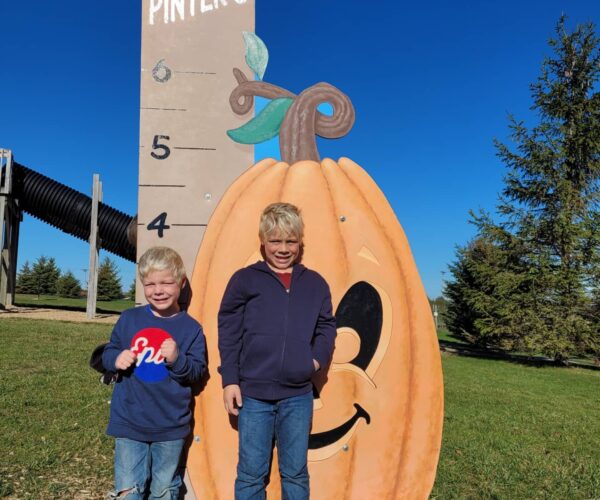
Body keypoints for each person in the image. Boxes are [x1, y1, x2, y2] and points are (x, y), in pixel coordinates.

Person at [218, 202, 337, 500]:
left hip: (298, 395)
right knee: (250, 475)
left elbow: (326, 327)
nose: (283, 249)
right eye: (275, 241)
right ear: (263, 241)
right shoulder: (245, 280)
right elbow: (228, 331)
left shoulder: (315, 283)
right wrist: (230, 379)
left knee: (295, 474)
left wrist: (314, 361)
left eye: (290, 241)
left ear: (299, 243)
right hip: (253, 395)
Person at [102, 246, 206, 499]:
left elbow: (197, 372)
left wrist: (177, 359)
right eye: (150, 284)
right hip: (129, 421)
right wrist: (116, 358)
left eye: (166, 283)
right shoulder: (129, 319)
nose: (158, 291)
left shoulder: (191, 329)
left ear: (181, 283)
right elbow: (107, 352)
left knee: (164, 489)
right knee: (128, 489)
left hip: (170, 425)